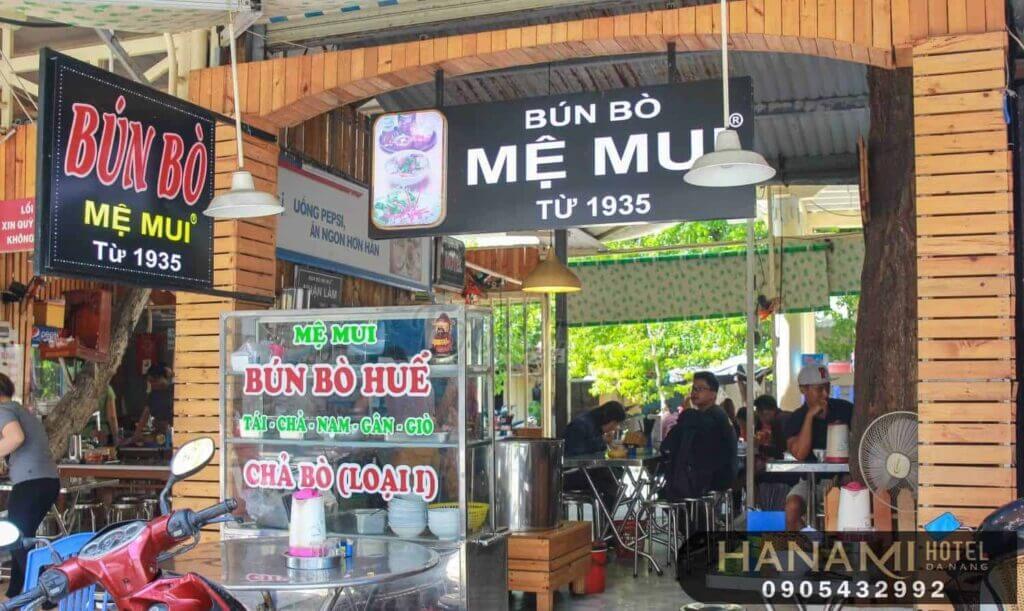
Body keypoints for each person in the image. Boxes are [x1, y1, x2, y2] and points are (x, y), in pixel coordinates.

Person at [0, 373, 60, 596]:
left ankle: (48, 591)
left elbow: (15, 438)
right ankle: (16, 591)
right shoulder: (20, 410)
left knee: (16, 536)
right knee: (21, 538)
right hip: (46, 481)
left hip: (31, 483)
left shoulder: (3, 411)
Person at [783, 366, 854, 530]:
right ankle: (811, 548)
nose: (825, 394)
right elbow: (800, 453)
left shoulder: (845, 409)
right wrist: (809, 417)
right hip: (810, 483)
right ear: (803, 389)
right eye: (819, 389)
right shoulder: (796, 418)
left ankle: (838, 549)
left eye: (828, 387)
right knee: (791, 509)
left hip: (843, 480)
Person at [660, 372, 738, 501]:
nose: (695, 393)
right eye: (693, 388)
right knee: (669, 488)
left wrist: (686, 413)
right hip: (711, 475)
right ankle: (696, 518)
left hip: (715, 478)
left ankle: (694, 520)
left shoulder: (712, 416)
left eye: (700, 389)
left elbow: (670, 443)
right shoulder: (702, 416)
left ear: (713, 394)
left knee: (667, 493)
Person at [562, 402, 627, 511]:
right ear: (609, 419)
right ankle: (607, 524)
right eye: (615, 423)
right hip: (569, 475)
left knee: (613, 475)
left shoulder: (593, 425)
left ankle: (607, 523)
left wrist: (605, 442)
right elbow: (574, 451)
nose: (615, 428)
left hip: (584, 472)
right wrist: (602, 441)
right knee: (608, 481)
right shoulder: (581, 425)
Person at [134, 363, 174, 441]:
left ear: (162, 378)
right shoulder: (152, 395)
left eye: (154, 381)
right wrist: (137, 433)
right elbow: (145, 414)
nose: (152, 384)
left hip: (173, 433)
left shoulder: (174, 390)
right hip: (159, 435)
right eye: (150, 382)